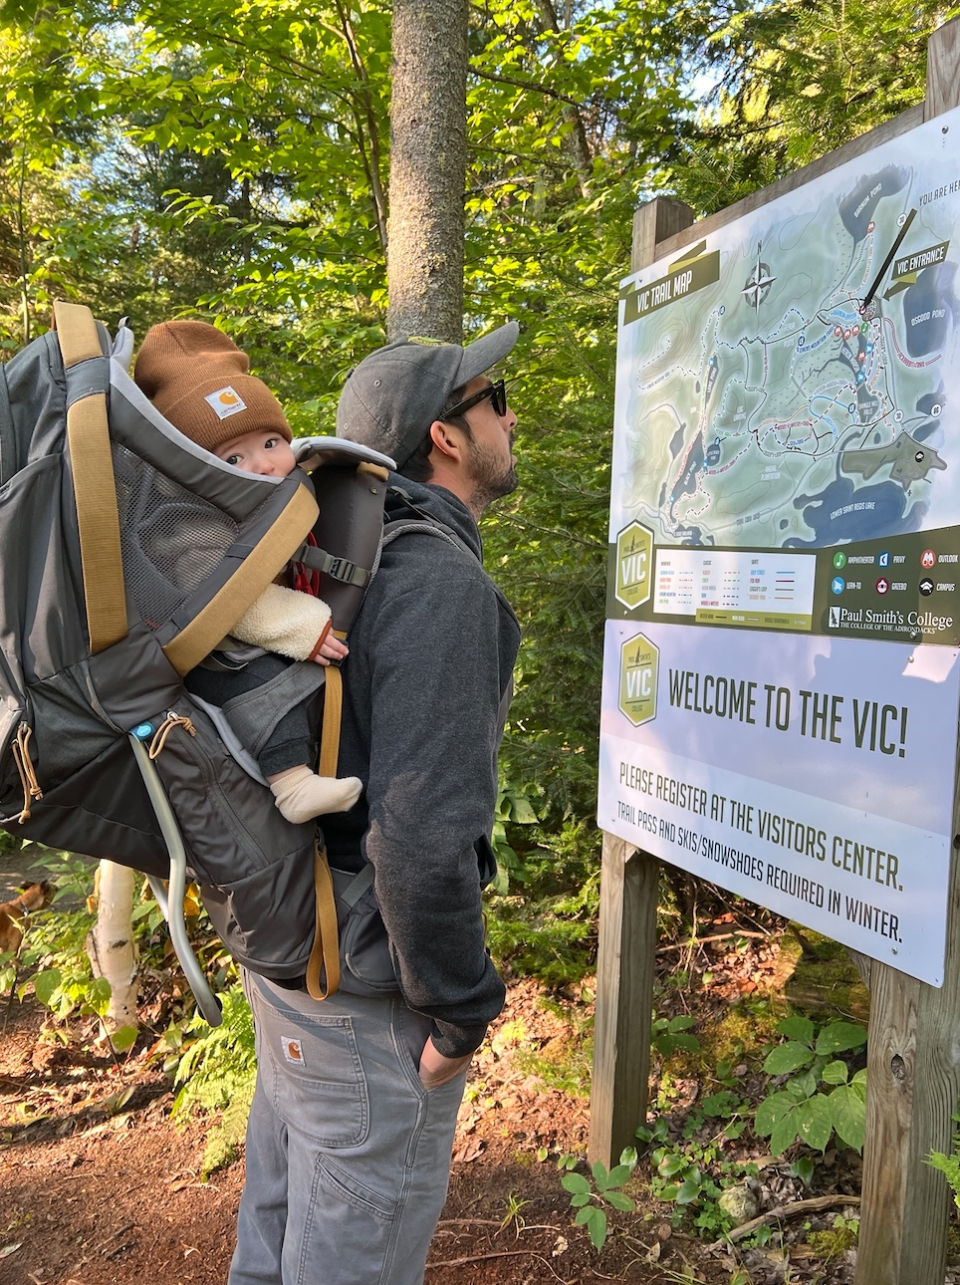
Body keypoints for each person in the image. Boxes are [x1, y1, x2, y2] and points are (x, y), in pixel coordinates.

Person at [228, 322, 522, 1285]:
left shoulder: (328, 560)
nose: (509, 418)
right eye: (497, 399)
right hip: (365, 1000)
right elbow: (425, 834)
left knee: (274, 1239)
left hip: (290, 955)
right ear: (447, 435)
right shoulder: (435, 579)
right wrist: (457, 1013)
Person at [134, 320, 362, 821]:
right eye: (233, 457)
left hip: (236, 632)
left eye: (271, 444)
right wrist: (303, 624)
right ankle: (292, 784)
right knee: (259, 684)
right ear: (193, 474)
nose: (262, 465)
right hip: (208, 648)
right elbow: (228, 602)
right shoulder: (189, 525)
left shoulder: (268, 497)